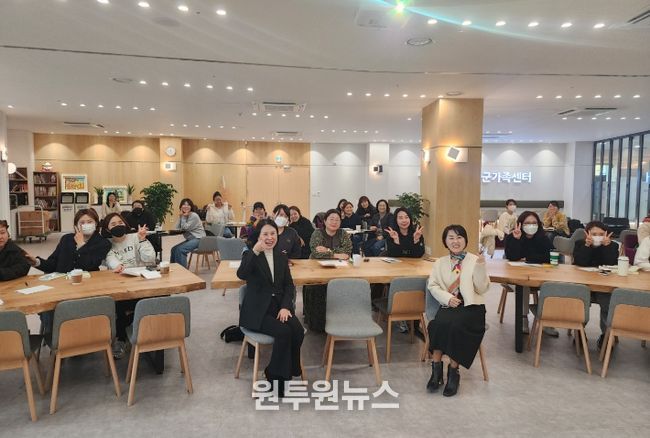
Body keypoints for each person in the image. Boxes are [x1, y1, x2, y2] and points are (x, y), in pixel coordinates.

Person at [237, 219, 304, 397]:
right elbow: (242, 274)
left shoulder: (280, 255)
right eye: (265, 234)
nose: (270, 237)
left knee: (297, 330)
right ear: (258, 236)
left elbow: (289, 285)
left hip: (278, 307)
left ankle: (281, 369)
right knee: (284, 332)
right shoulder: (250, 254)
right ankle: (278, 377)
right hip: (257, 310)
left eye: (273, 233)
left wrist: (285, 307)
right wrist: (255, 251)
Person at [426, 225, 489, 397]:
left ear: (465, 240)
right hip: (450, 304)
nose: (455, 241)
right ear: (445, 241)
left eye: (459, 237)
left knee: (456, 327)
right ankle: (436, 371)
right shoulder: (440, 263)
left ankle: (454, 373)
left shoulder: (475, 260)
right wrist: (447, 298)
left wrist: (480, 267)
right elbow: (433, 285)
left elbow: (482, 288)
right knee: (437, 325)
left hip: (472, 307)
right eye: (451, 238)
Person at [103, 213, 156, 359]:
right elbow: (111, 260)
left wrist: (142, 239)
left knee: (158, 298)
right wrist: (117, 266)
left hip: (141, 281)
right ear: (107, 229)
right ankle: (121, 338)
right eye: (113, 224)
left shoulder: (135, 237)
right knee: (117, 305)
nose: (118, 226)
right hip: (120, 284)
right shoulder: (107, 244)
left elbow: (150, 259)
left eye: (120, 222)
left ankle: (145, 329)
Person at [504, 211, 557, 337]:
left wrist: (527, 258)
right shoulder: (512, 237)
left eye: (534, 223)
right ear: (521, 224)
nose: (531, 225)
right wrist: (516, 240)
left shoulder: (543, 238)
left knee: (551, 285)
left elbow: (551, 257)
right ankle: (523, 318)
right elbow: (512, 257)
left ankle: (546, 320)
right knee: (524, 285)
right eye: (527, 223)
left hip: (540, 276)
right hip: (516, 277)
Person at [304, 209, 353, 332]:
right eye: (331, 219)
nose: (334, 222)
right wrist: (336, 254)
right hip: (317, 268)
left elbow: (347, 252)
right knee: (317, 287)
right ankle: (317, 323)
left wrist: (327, 250)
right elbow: (316, 253)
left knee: (344, 286)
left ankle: (340, 321)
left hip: (339, 269)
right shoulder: (317, 233)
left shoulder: (343, 233)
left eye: (337, 220)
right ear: (325, 221)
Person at [572, 221, 618, 349]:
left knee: (607, 302)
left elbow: (612, 265)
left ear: (606, 234)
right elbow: (579, 262)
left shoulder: (613, 245)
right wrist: (587, 246)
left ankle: (606, 335)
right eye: (594, 234)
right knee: (581, 301)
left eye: (601, 234)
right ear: (587, 234)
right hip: (584, 283)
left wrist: (607, 247)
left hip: (604, 284)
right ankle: (579, 332)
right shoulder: (580, 244)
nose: (597, 237)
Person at [25, 208, 110, 273]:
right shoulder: (66, 239)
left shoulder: (103, 243)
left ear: (96, 224)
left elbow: (89, 265)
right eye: (82, 223)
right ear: (76, 225)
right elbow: (53, 263)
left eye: (89, 222)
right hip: (63, 282)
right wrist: (36, 262)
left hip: (86, 283)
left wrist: (81, 245)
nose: (86, 225)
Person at [170, 198, 206, 269]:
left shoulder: (194, 215)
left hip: (199, 239)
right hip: (192, 239)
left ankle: (182, 272)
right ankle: (175, 269)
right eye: (184, 204)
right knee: (174, 249)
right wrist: (180, 216)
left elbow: (185, 228)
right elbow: (176, 228)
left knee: (180, 250)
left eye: (188, 205)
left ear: (191, 207)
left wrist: (183, 217)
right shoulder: (184, 215)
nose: (186, 206)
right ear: (181, 207)